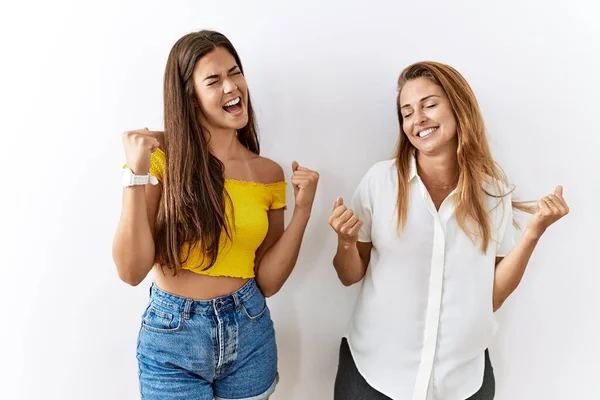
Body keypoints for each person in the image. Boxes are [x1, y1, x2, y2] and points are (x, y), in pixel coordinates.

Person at [328, 61, 569, 400]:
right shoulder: (379, 182)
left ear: (458, 107)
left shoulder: (492, 193)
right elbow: (349, 275)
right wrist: (346, 241)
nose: (418, 119)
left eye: (429, 105)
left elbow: (492, 298)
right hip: (374, 377)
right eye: (407, 112)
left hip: (462, 382)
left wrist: (534, 233)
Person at [112, 30, 319, 400]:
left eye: (235, 72)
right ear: (190, 97)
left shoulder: (268, 173)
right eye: (214, 80)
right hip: (173, 340)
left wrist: (303, 211)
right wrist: (135, 173)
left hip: (250, 330)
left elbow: (268, 282)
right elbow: (130, 271)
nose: (232, 86)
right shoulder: (162, 160)